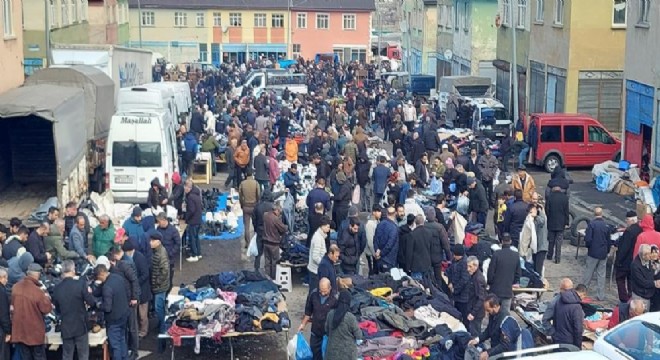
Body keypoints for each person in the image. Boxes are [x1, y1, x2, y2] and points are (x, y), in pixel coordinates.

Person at [52, 260, 96, 360]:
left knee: (67, 355)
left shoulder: (57, 288)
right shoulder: (80, 284)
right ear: (73, 270)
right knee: (83, 355)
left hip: (66, 326)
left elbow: (57, 309)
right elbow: (91, 302)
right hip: (80, 325)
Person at [11, 263, 52, 360]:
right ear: (37, 275)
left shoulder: (15, 287)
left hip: (20, 332)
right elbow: (47, 309)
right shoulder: (37, 291)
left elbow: (12, 307)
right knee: (39, 357)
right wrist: (46, 296)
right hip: (35, 333)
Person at [95, 264, 129, 360]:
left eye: (98, 278)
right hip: (124, 314)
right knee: (122, 340)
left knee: (115, 346)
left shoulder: (107, 287)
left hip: (114, 319)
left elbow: (107, 308)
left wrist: (98, 305)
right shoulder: (117, 277)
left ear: (101, 274)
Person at [298, 278, 338, 360]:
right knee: (314, 354)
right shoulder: (313, 294)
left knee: (327, 356)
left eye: (325, 291)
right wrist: (302, 325)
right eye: (321, 290)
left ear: (330, 288)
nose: (323, 293)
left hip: (328, 334)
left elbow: (338, 316)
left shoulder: (335, 298)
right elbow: (308, 313)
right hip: (315, 332)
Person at [122, 241, 151, 340]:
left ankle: (143, 332)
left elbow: (145, 274)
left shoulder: (139, 258)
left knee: (143, 314)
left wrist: (135, 282)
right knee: (137, 314)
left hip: (143, 290)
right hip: (136, 290)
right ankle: (137, 331)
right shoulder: (130, 257)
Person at [582, 207, 611, 301]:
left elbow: (588, 239)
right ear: (602, 214)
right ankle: (600, 295)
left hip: (593, 252)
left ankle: (583, 292)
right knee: (601, 275)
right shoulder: (606, 225)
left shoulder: (592, 224)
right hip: (603, 253)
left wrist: (588, 247)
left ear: (594, 214)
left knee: (588, 273)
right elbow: (608, 240)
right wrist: (607, 251)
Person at [487, 233, 521, 312]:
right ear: (511, 241)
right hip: (507, 291)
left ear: (501, 241)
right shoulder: (516, 256)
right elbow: (518, 274)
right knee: (505, 315)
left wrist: (490, 283)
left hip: (495, 291)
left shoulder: (496, 254)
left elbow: (490, 273)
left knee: (493, 314)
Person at [324, 291, 363, 360]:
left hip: (332, 352)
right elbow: (359, 335)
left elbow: (326, 331)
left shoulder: (330, 314)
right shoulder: (350, 317)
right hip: (348, 354)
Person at [615, 211, 642, 302]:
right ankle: (631, 297)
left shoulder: (629, 232)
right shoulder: (640, 229)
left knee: (620, 280)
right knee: (631, 280)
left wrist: (618, 260)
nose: (626, 222)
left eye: (627, 220)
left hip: (625, 261)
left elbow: (624, 248)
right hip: (634, 260)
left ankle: (624, 299)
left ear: (631, 220)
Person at [150, 232, 170, 343]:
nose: (150, 243)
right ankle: (161, 325)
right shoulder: (156, 251)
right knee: (159, 307)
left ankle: (163, 329)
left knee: (159, 308)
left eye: (152, 241)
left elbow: (164, 270)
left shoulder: (161, 253)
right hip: (158, 285)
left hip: (160, 287)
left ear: (158, 241)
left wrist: (157, 282)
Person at [552, 283, 584, 348]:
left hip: (557, 339)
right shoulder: (577, 307)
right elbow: (578, 329)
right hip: (569, 343)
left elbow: (555, 319)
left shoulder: (559, 300)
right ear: (582, 294)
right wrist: (578, 347)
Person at [156, 213, 180, 293]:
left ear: (164, 220)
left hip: (169, 260)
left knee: (169, 279)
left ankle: (167, 295)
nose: (158, 223)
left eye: (159, 222)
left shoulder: (173, 230)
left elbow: (178, 243)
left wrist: (170, 253)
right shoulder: (158, 229)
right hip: (159, 259)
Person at [406, 215, 434, 284]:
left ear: (415, 222)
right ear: (423, 221)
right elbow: (431, 249)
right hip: (427, 265)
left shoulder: (412, 235)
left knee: (418, 288)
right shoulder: (429, 233)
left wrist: (408, 267)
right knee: (427, 286)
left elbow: (409, 253)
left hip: (416, 266)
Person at [630, 244, 660, 310]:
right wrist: (655, 283)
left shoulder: (648, 261)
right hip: (640, 295)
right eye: (649, 254)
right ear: (644, 256)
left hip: (648, 294)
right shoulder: (635, 266)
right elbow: (642, 282)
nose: (651, 255)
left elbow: (651, 275)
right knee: (639, 312)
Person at [447, 245, 470, 325]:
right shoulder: (454, 260)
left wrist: (455, 289)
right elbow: (450, 271)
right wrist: (450, 282)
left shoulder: (465, 263)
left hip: (463, 296)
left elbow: (464, 280)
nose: (454, 256)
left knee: (464, 315)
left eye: (455, 255)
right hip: (456, 294)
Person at [263, 204, 287, 279]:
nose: (279, 214)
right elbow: (283, 228)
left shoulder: (265, 215)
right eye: (279, 212)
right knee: (274, 262)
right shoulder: (275, 219)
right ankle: (273, 278)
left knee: (267, 261)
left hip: (265, 242)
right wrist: (286, 226)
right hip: (274, 243)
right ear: (276, 210)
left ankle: (267, 277)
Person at [545, 186, 569, 264]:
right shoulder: (565, 198)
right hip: (561, 223)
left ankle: (549, 255)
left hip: (551, 221)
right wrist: (566, 222)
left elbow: (547, 210)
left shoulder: (550, 197)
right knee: (559, 241)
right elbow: (566, 211)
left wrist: (549, 217)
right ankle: (557, 258)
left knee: (551, 240)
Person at [239, 168, 261, 248]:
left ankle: (247, 243)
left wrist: (242, 205)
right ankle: (256, 242)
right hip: (254, 206)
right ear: (252, 174)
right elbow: (258, 195)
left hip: (246, 206)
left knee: (246, 227)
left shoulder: (242, 183)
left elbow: (240, 197)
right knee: (256, 225)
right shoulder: (256, 183)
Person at [308, 217, 331, 292]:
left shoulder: (320, 236)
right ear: (322, 226)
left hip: (315, 270)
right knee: (314, 292)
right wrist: (324, 263)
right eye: (328, 226)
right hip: (315, 271)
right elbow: (315, 257)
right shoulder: (318, 238)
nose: (329, 229)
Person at [374, 206, 400, 273]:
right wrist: (381, 254)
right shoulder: (394, 228)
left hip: (379, 259)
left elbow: (375, 239)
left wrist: (377, 251)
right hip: (389, 260)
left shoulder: (380, 224)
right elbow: (390, 244)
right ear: (395, 214)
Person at [466, 256, 487, 337]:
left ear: (476, 266)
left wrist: (473, 313)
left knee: (476, 334)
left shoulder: (478, 279)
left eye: (470, 266)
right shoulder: (474, 276)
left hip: (476, 313)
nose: (468, 269)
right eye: (467, 266)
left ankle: (478, 348)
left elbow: (481, 298)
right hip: (474, 310)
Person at [184, 179, 203, 262]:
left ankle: (194, 254)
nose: (184, 189)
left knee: (192, 238)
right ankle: (198, 253)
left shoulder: (190, 197)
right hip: (198, 219)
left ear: (189, 187)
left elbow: (191, 210)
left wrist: (186, 218)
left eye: (185, 187)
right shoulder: (197, 194)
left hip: (193, 221)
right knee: (196, 237)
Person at [0, 269, 9, 360]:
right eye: (6, 278)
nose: (7, 280)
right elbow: (3, 314)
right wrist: (8, 331)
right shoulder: (2, 291)